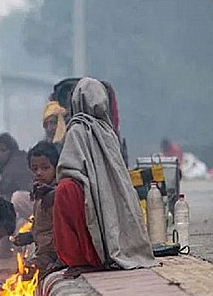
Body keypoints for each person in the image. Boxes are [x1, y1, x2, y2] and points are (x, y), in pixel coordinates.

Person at [54, 78, 157, 271]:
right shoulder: (108, 132)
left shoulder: (76, 129)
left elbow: (68, 169)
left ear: (77, 100)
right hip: (103, 198)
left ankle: (80, 258)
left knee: (65, 189)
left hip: (85, 197)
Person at [12, 141, 60, 276]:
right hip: (43, 252)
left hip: (53, 256)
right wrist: (29, 236)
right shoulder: (39, 194)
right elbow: (44, 228)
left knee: (24, 275)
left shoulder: (57, 195)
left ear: (56, 168)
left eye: (45, 168)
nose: (39, 173)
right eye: (34, 169)